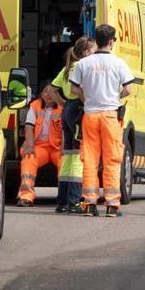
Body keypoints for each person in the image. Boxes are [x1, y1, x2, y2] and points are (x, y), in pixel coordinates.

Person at [69, 24, 136, 217]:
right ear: (112, 42)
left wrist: (86, 98)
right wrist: (114, 97)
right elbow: (128, 89)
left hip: (90, 115)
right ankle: (112, 204)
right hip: (110, 115)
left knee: (89, 159)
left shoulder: (84, 63)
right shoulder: (118, 63)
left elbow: (74, 89)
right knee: (112, 159)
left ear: (97, 41)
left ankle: (89, 203)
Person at [51, 36, 95, 212]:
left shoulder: (68, 67)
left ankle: (62, 202)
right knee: (77, 156)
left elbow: (53, 89)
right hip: (78, 109)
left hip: (69, 109)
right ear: (85, 52)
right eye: (93, 51)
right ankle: (74, 201)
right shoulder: (83, 67)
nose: (94, 54)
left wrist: (63, 103)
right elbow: (84, 89)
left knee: (68, 157)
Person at [15, 82, 64, 207]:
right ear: (41, 94)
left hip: (57, 147)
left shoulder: (63, 106)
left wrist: (64, 148)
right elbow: (29, 128)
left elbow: (66, 130)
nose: (48, 94)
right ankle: (26, 197)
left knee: (65, 163)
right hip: (39, 146)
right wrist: (30, 147)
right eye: (45, 91)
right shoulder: (35, 106)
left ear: (57, 94)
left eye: (52, 92)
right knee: (28, 159)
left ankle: (65, 198)